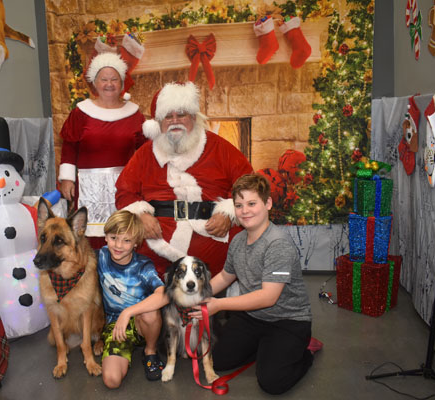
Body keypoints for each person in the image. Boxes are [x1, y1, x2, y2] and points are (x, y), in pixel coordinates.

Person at [192, 173, 322, 395]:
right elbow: (225, 276)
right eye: (239, 205)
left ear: (268, 203)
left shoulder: (278, 244)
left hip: (287, 320)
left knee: (272, 382)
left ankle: (304, 351)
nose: (245, 211)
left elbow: (267, 297)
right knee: (219, 361)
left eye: (252, 203)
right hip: (252, 317)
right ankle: (267, 349)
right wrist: (197, 296)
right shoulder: (238, 240)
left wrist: (219, 305)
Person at [115, 81, 253, 278]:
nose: (175, 121)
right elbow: (124, 192)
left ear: (194, 117)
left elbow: (249, 185)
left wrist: (229, 213)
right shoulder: (145, 154)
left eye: (181, 115)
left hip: (213, 246)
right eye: (168, 117)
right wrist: (140, 216)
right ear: (159, 123)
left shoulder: (219, 147)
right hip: (156, 246)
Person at [58, 52, 146, 249]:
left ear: (122, 83)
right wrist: (67, 179)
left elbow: (143, 152)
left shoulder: (134, 114)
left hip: (124, 185)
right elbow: (70, 146)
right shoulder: (81, 112)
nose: (109, 84)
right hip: (89, 186)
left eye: (114, 79)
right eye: (104, 79)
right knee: (89, 238)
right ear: (95, 83)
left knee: (123, 234)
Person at [97, 210, 167, 388]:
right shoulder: (100, 257)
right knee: (112, 381)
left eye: (126, 240)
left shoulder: (143, 265)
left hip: (142, 323)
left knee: (150, 311)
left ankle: (150, 351)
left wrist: (128, 312)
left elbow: (164, 294)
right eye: (114, 238)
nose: (118, 245)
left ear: (136, 243)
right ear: (105, 237)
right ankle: (122, 351)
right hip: (115, 327)